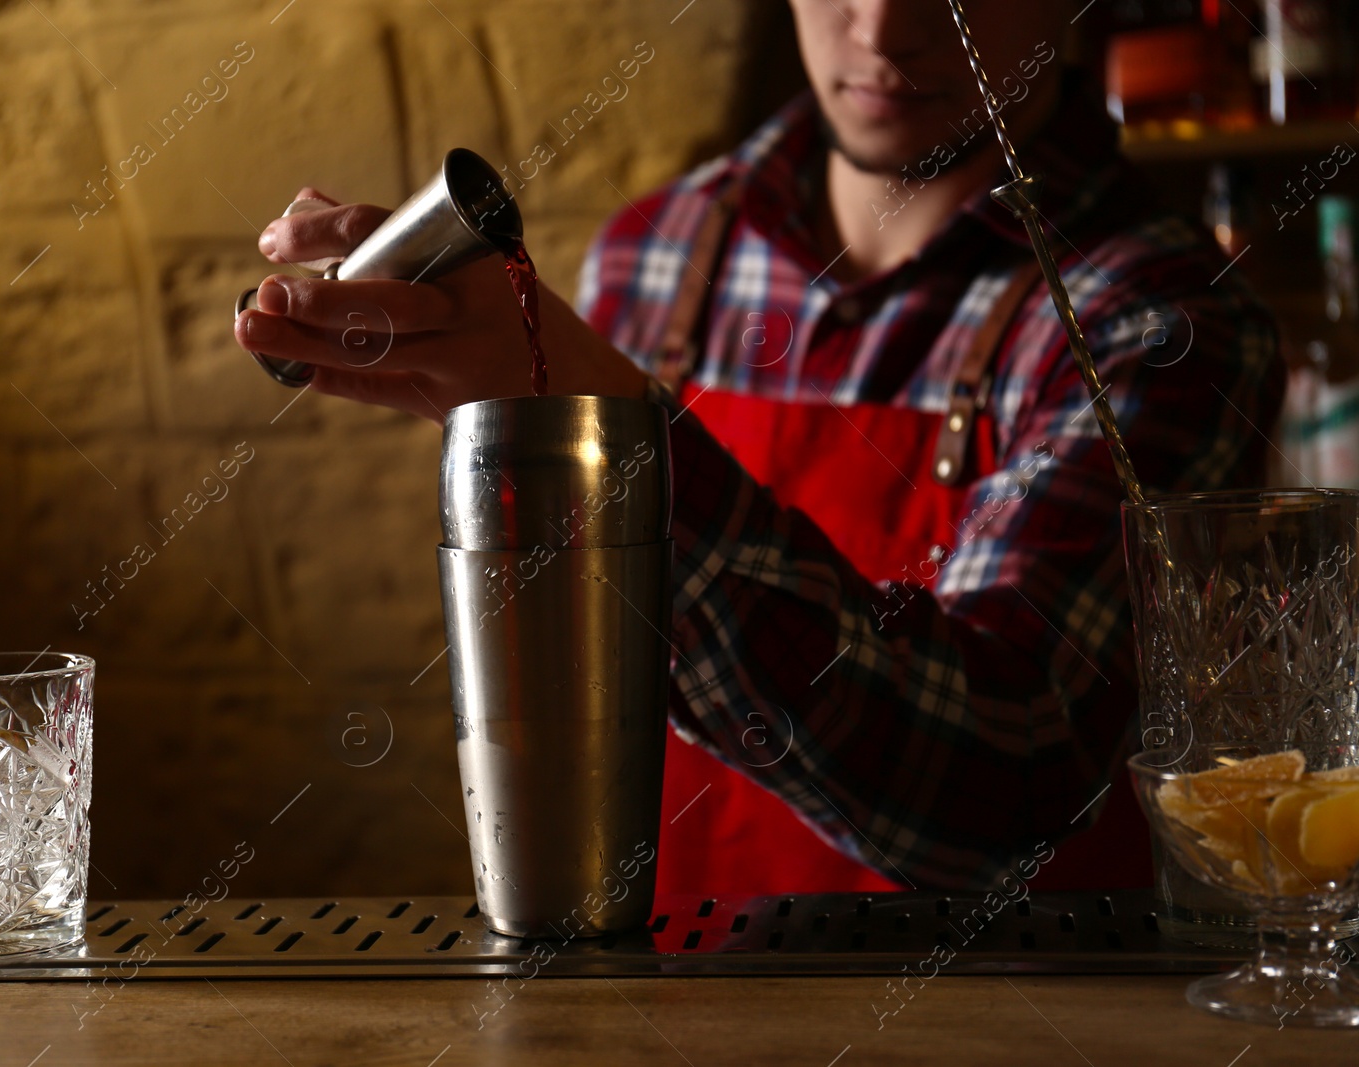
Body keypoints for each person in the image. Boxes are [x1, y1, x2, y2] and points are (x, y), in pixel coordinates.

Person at [234, 0, 1282, 893]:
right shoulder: (662, 252)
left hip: (1001, 1022)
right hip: (675, 999)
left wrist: (614, 437)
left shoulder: (1157, 322)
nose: (883, 29)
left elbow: (1004, 775)